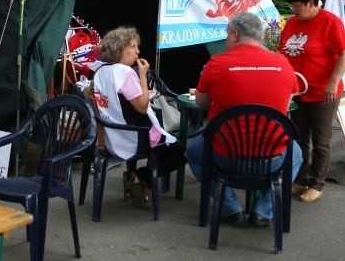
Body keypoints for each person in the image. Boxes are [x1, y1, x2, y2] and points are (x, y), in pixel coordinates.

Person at [186, 12, 303, 227]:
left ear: (234, 34)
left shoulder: (216, 63)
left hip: (225, 156)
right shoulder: (282, 63)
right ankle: (264, 210)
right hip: (272, 158)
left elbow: (202, 104)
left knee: (193, 150)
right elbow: (285, 105)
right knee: (296, 154)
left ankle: (229, 207)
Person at [93, 26, 186, 208]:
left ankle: (136, 179)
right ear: (120, 49)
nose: (138, 51)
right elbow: (142, 107)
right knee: (182, 151)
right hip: (133, 137)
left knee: (167, 143)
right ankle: (143, 177)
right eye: (133, 47)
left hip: (110, 136)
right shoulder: (125, 72)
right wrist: (142, 76)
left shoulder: (100, 71)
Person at [279, 0, 345, 203]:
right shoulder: (292, 23)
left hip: (324, 92)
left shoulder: (330, 22)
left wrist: (333, 81)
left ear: (311, 3)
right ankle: (300, 179)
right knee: (299, 138)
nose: (293, 10)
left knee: (321, 139)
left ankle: (317, 183)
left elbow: (344, 54)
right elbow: (283, 52)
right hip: (297, 91)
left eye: (297, 5)